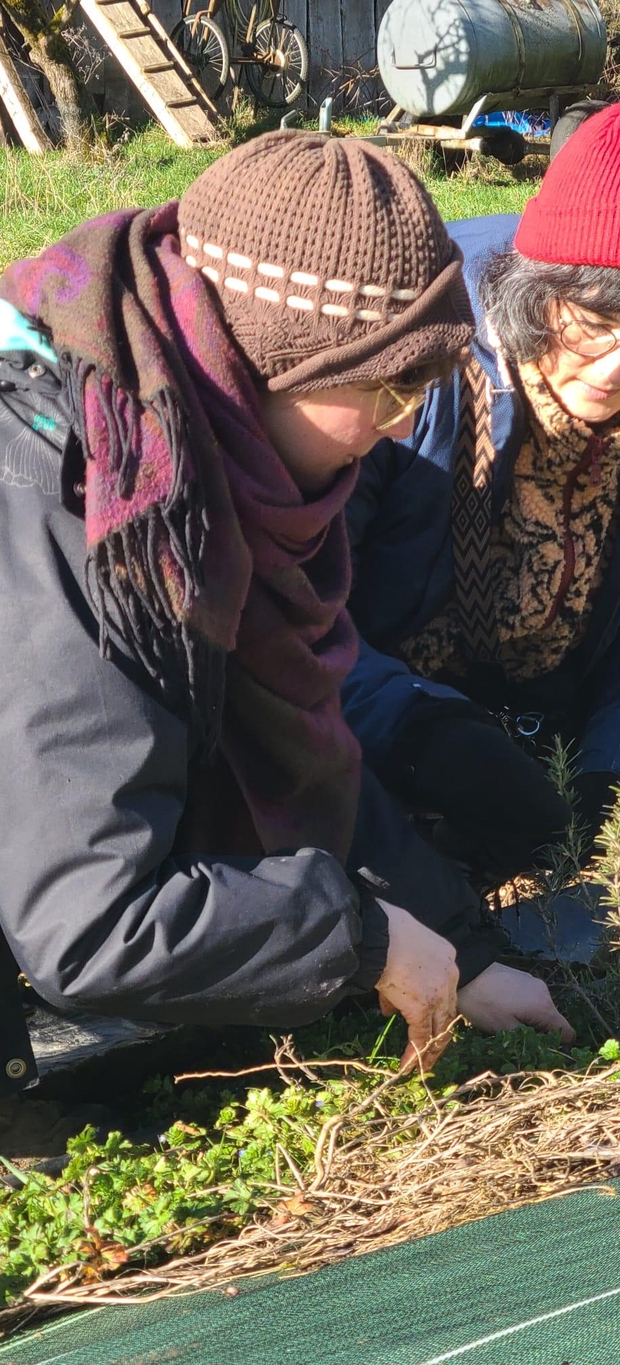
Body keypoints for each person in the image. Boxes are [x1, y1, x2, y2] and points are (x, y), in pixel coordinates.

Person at [0, 130, 570, 1099]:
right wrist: (362, 934)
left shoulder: (202, 454)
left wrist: (463, 953)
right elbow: (92, 920)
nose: (400, 428)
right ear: (266, 358)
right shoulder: (84, 499)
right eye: (385, 389)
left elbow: (297, 738)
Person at [341, 94, 620, 897]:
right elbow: (296, 609)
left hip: (541, 696)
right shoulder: (419, 345)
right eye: (593, 325)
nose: (613, 372)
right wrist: (423, 734)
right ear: (540, 287)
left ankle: (507, 841)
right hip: (387, 683)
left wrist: (612, 777)